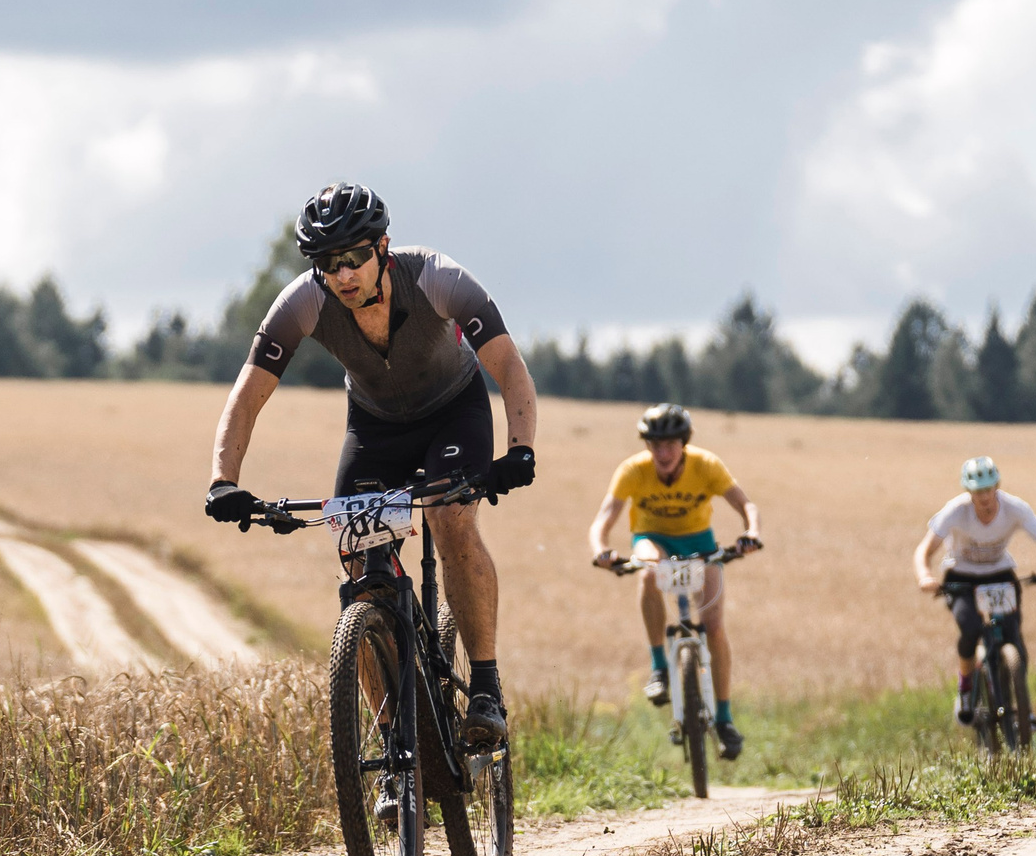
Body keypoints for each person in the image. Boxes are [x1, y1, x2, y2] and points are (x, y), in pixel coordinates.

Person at [203, 183, 538, 748]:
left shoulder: (437, 277)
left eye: (355, 257)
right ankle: (392, 748)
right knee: (359, 569)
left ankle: (484, 687)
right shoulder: (303, 302)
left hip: (453, 414)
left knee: (450, 519)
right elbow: (247, 396)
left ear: (383, 247)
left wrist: (520, 449)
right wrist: (223, 481)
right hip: (376, 427)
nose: (343, 274)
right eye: (327, 263)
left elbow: (508, 366)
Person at [587, 403, 762, 761]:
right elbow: (603, 519)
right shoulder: (633, 470)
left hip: (700, 543)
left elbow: (747, 505)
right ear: (647, 445)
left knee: (714, 628)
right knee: (649, 570)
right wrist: (601, 550)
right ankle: (659, 669)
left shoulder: (706, 465)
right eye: (655, 445)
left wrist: (751, 533)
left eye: (670, 444)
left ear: (684, 443)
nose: (663, 453)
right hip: (653, 539)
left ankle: (725, 719)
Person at [911, 456, 1036, 729]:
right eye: (977, 491)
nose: (984, 497)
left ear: (997, 486)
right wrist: (925, 576)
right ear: (968, 491)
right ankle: (966, 688)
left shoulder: (1014, 508)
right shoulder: (955, 511)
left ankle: (1022, 706)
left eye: (988, 489)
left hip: (999, 574)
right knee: (970, 629)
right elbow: (924, 550)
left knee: (1013, 635)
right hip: (961, 578)